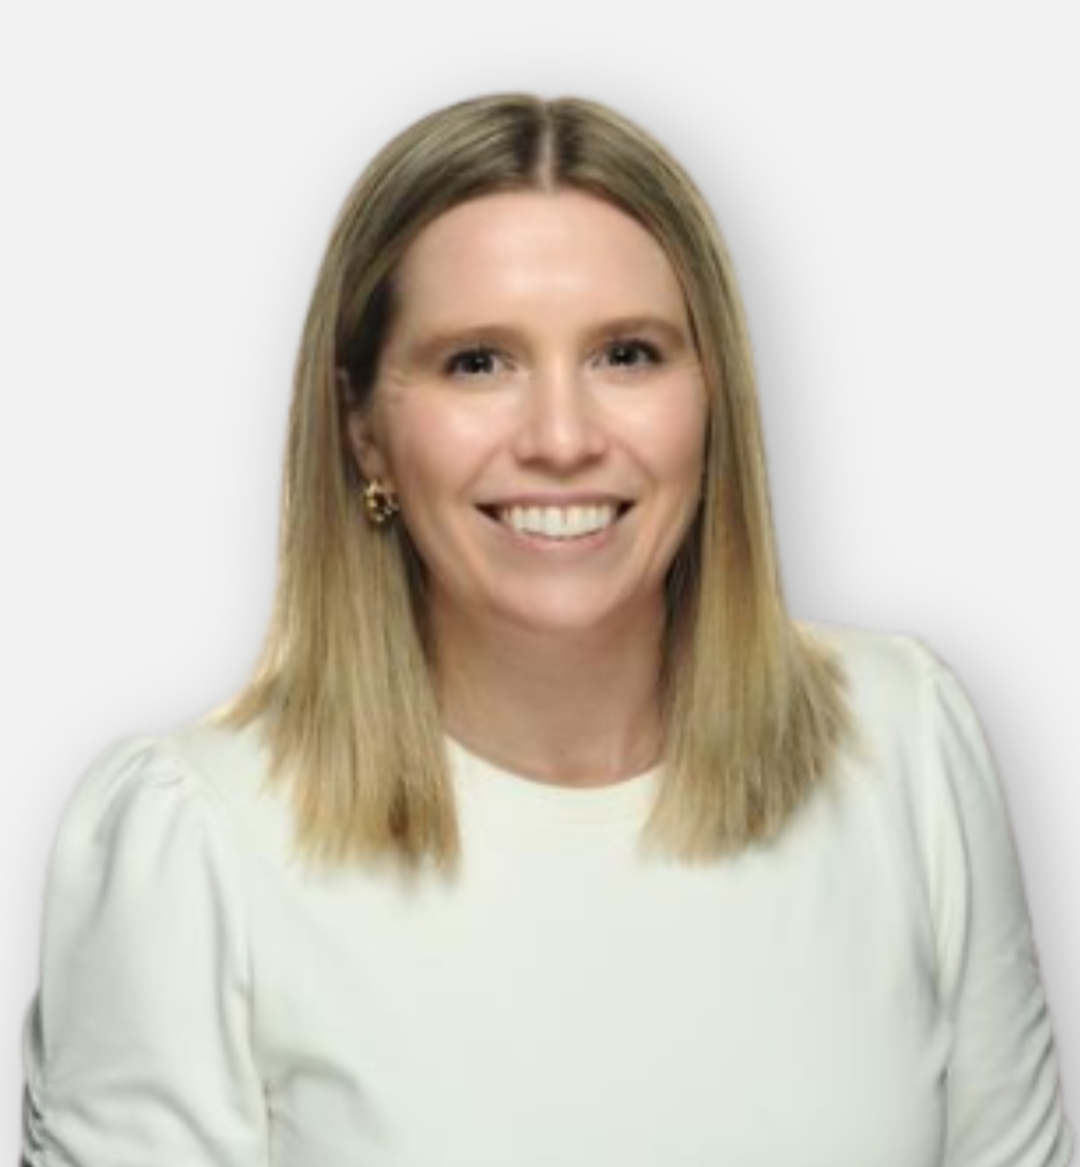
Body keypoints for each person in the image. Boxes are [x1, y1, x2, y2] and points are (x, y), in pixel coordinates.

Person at [19, 92, 1072, 1166]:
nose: (562, 439)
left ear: (715, 402)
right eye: (478, 361)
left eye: (627, 355)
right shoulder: (194, 846)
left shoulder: (904, 745)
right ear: (365, 432)